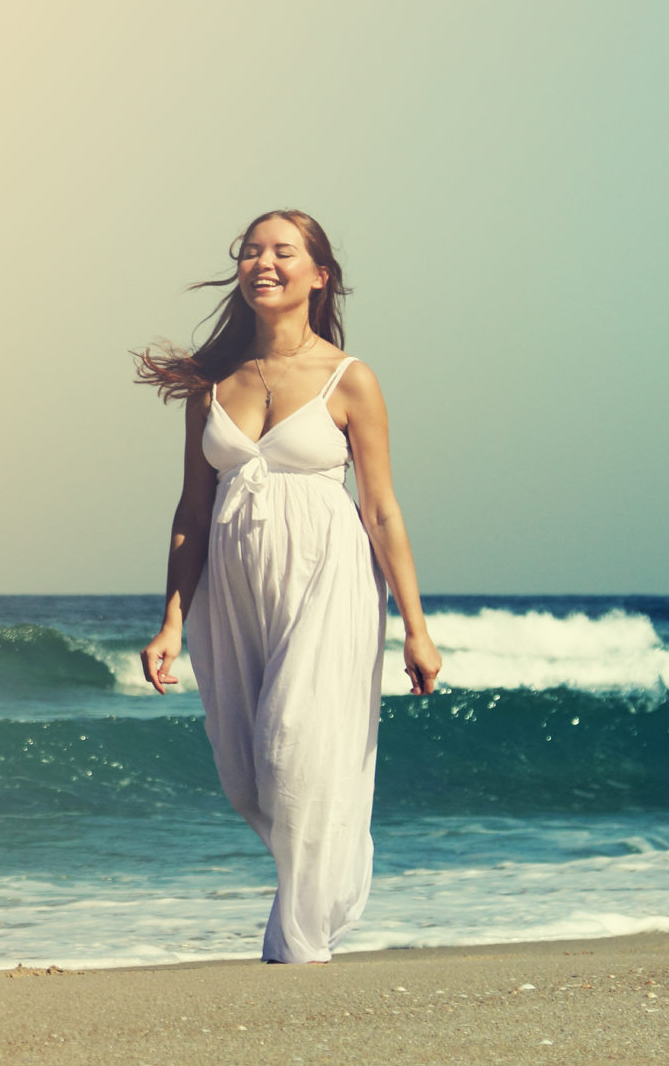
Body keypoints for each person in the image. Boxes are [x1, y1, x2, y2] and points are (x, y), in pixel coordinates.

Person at [132, 209, 443, 965]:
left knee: (292, 751)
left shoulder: (349, 377)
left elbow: (381, 507)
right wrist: (171, 619)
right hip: (232, 594)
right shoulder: (210, 386)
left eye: (284, 251)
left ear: (319, 274)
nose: (263, 262)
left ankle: (298, 945)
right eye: (252, 251)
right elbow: (191, 512)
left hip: (327, 583)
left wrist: (416, 624)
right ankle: (322, 883)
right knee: (247, 777)